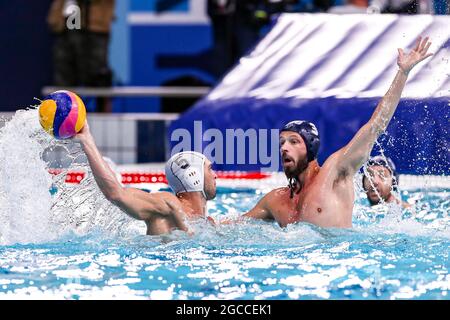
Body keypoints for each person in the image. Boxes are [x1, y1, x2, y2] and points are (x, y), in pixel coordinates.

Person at [239, 37, 432, 228]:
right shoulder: (275, 200)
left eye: (293, 141)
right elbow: (233, 227)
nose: (284, 148)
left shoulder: (335, 172)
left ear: (311, 148)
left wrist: (403, 73)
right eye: (281, 142)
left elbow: (376, 125)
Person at [73, 122, 217, 235]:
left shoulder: (206, 224)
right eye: (209, 169)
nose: (215, 175)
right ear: (193, 175)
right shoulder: (169, 205)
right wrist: (86, 140)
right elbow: (117, 194)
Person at [47, 0, 115, 112]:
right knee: (65, 76)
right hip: (67, 23)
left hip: (92, 25)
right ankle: (64, 115)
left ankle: (103, 116)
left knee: (97, 75)